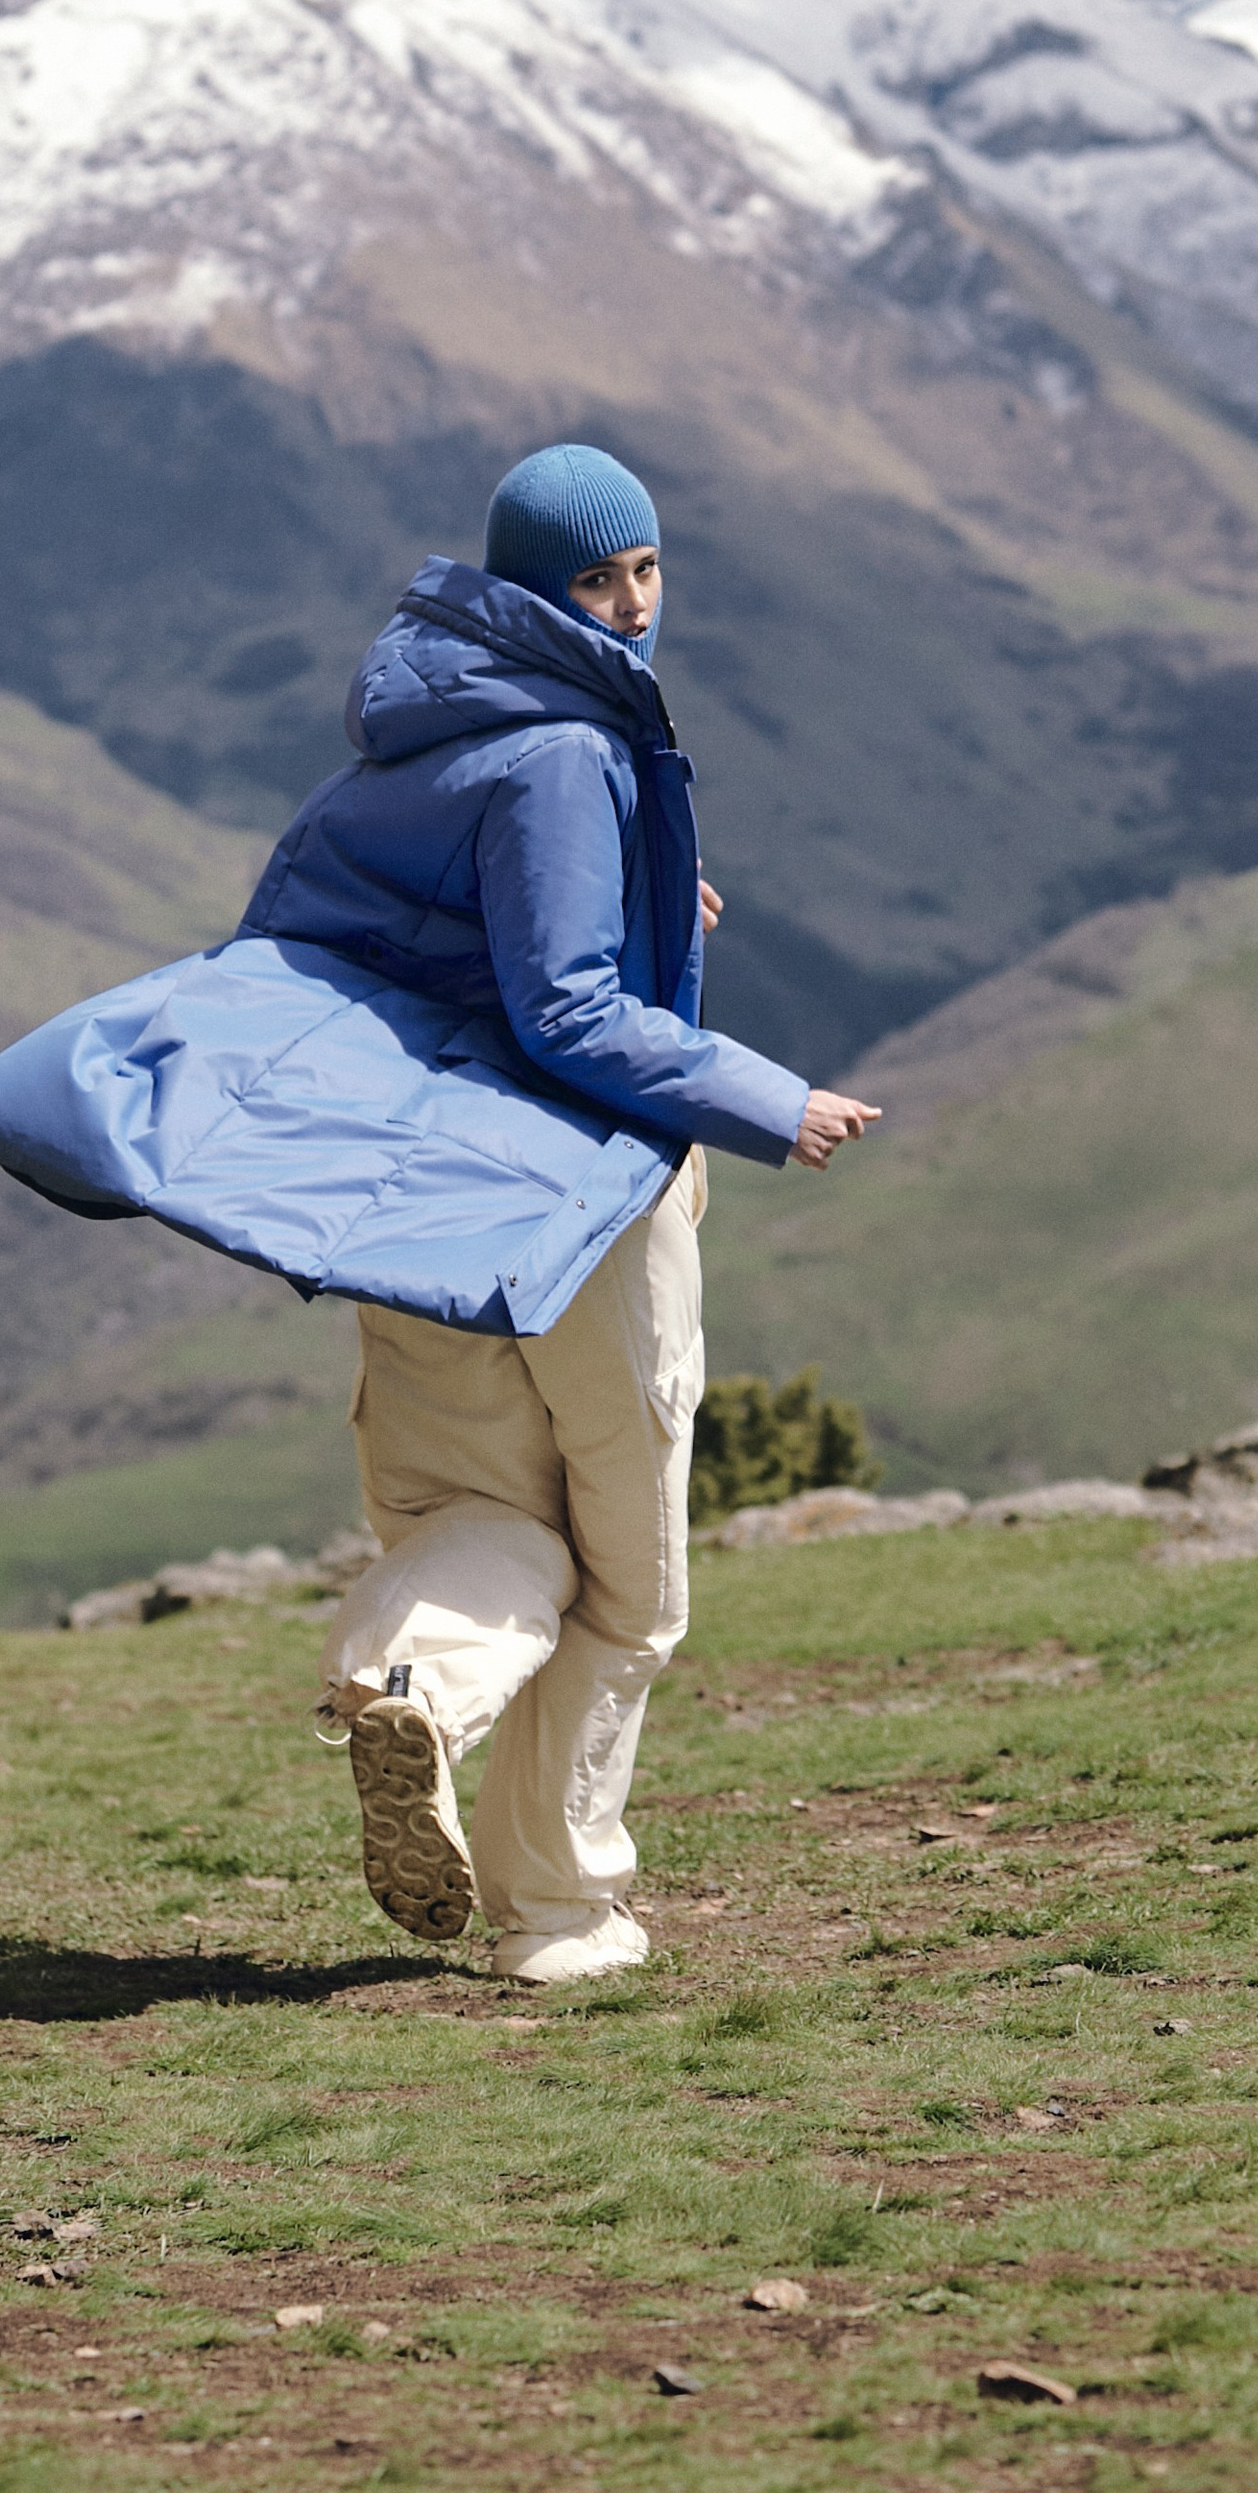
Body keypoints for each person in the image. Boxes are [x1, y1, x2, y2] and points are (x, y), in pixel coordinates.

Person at [231, 444, 881, 1986]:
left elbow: (405, 938)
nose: (633, 603)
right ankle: (561, 1914)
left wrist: (640, 898)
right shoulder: (571, 750)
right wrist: (766, 1100)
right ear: (533, 589)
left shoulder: (421, 737)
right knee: (631, 1585)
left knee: (478, 1517)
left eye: (646, 567)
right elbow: (569, 1014)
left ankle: (408, 1685)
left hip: (422, 1206)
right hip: (585, 1202)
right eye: (596, 577)